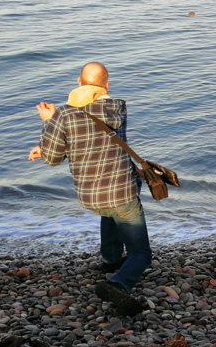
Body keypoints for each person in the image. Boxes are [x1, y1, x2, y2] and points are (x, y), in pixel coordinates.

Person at [28, 62, 149, 316]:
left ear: (78, 82)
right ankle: (118, 284)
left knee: (109, 209)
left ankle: (110, 261)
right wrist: (54, 123)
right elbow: (93, 135)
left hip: (90, 195)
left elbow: (53, 158)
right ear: (106, 85)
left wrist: (49, 123)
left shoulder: (63, 116)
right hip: (122, 192)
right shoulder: (118, 108)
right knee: (140, 253)